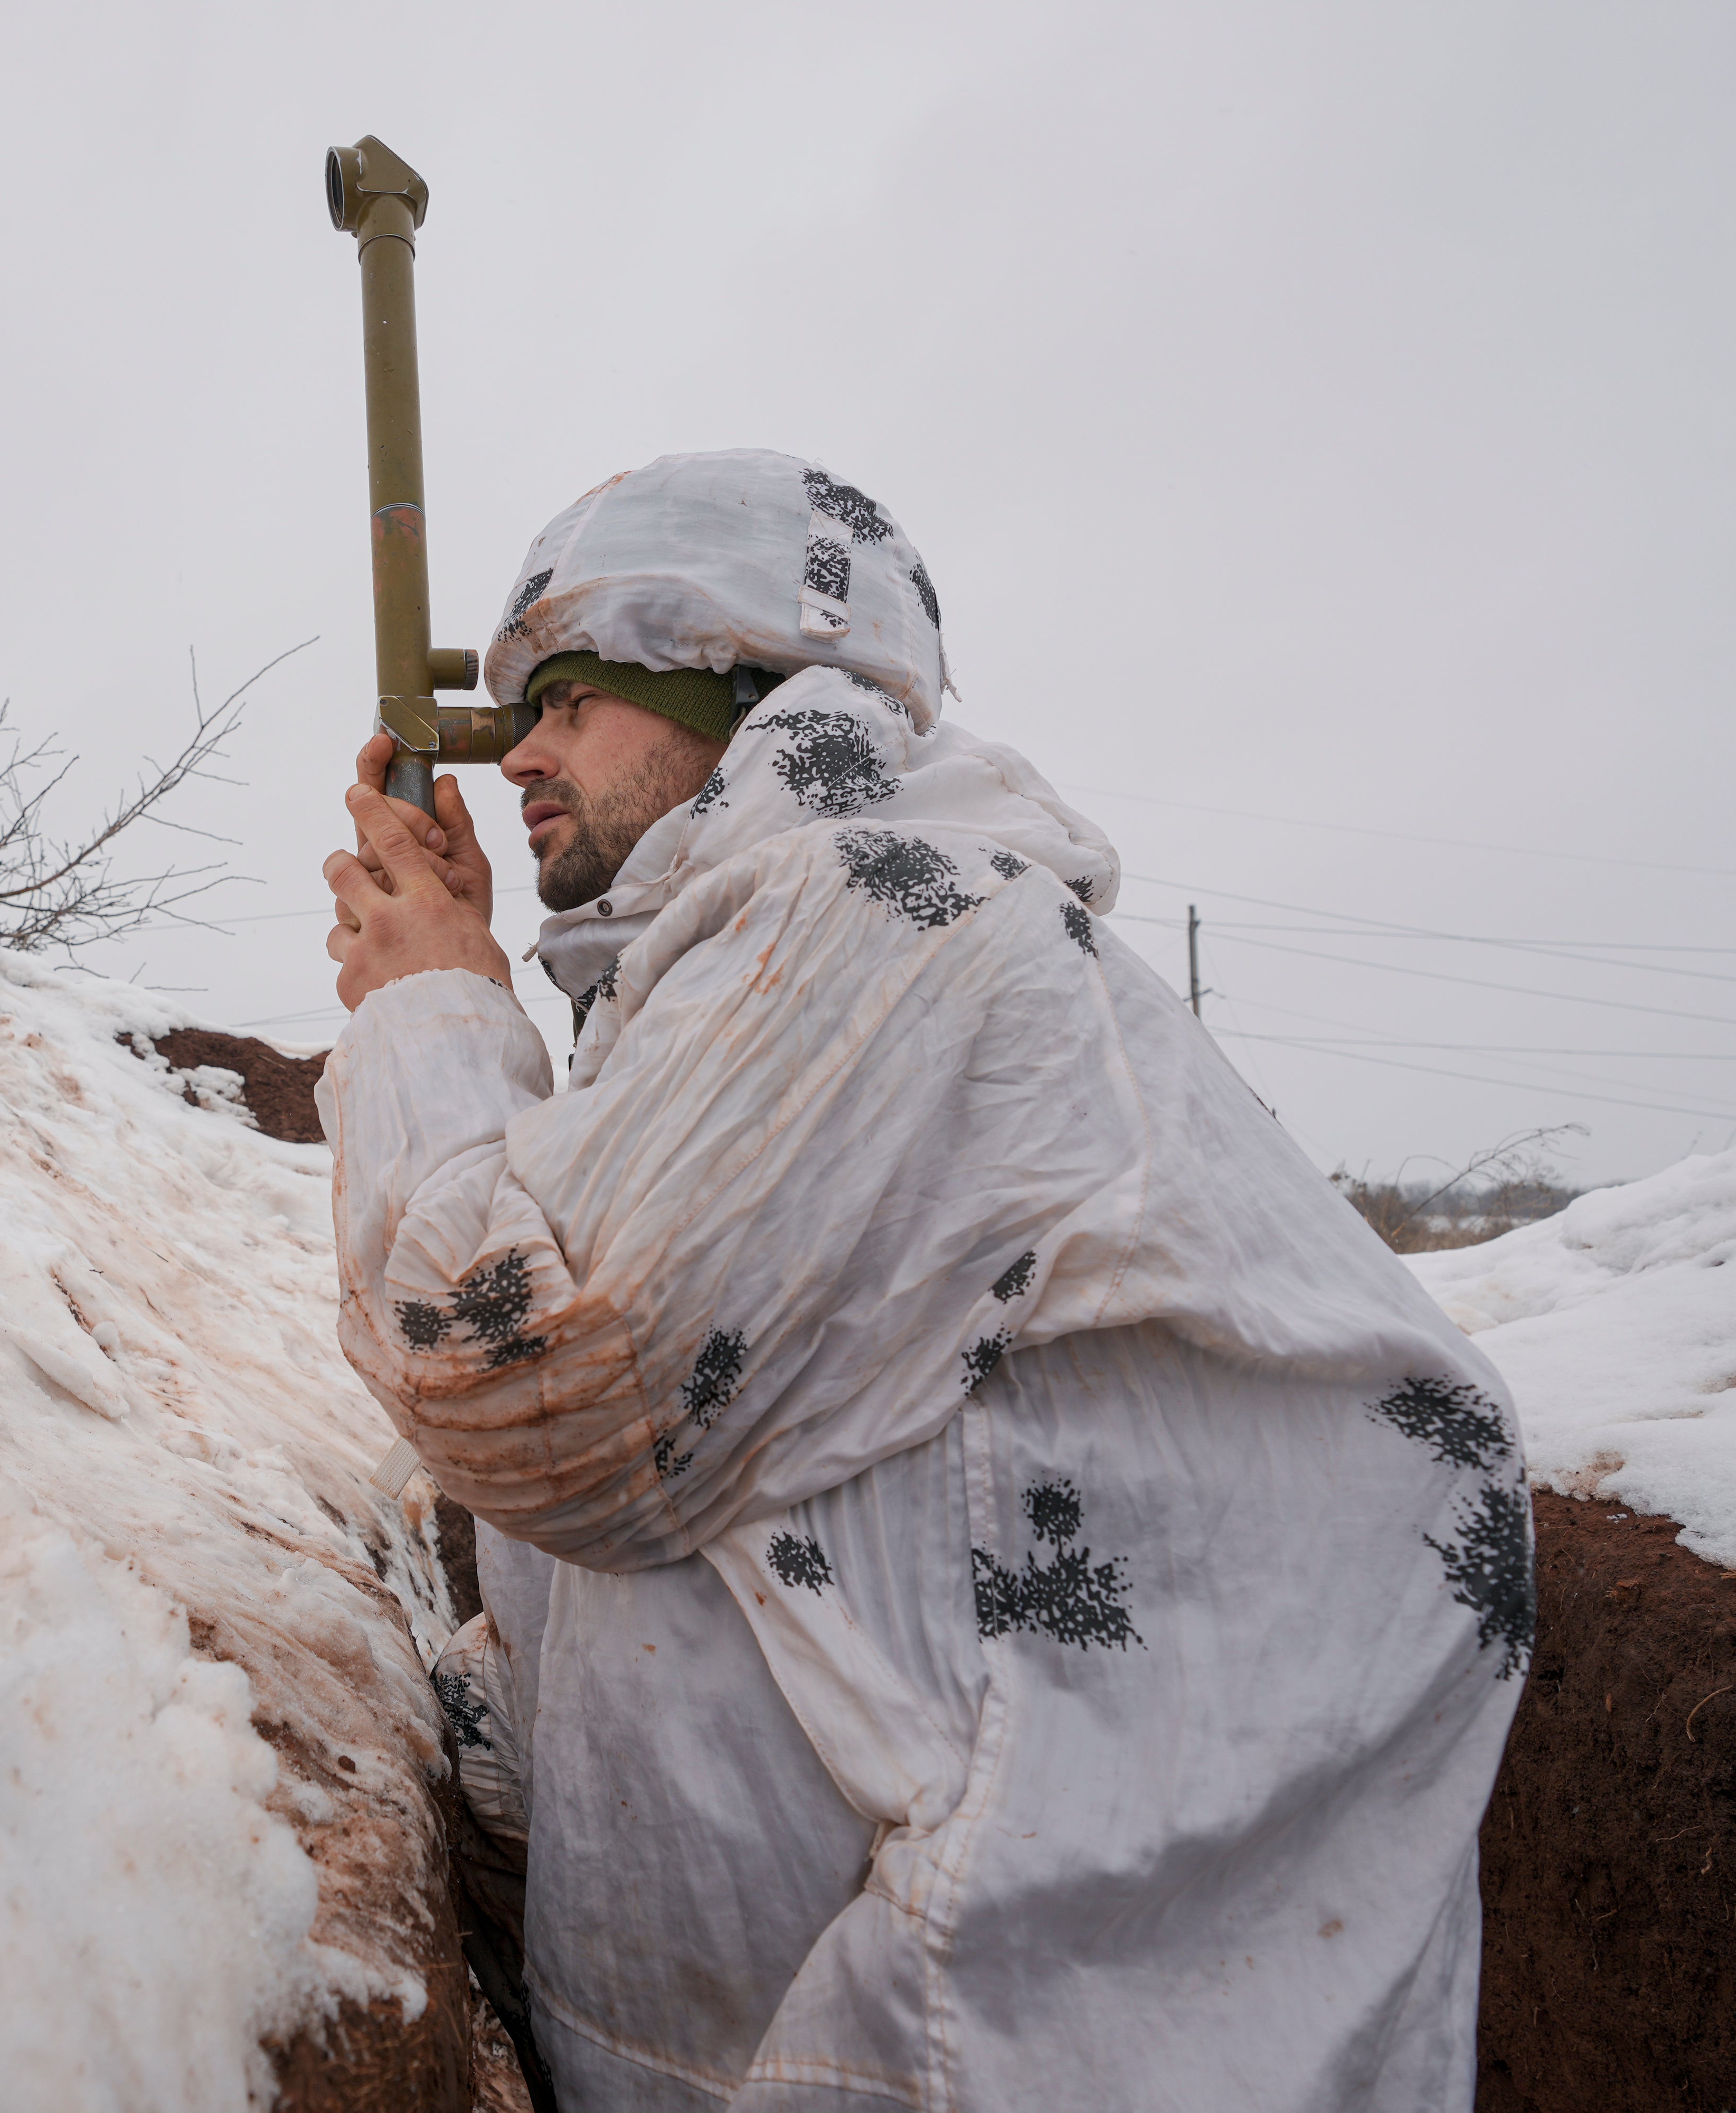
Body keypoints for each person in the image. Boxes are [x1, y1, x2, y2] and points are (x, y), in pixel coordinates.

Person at [317, 450, 1529, 2111]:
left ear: (748, 693)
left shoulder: (892, 923)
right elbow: (738, 1519)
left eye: (574, 695)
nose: (520, 747)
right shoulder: (728, 978)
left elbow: (524, 1384)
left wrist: (429, 1008)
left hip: (990, 2040)